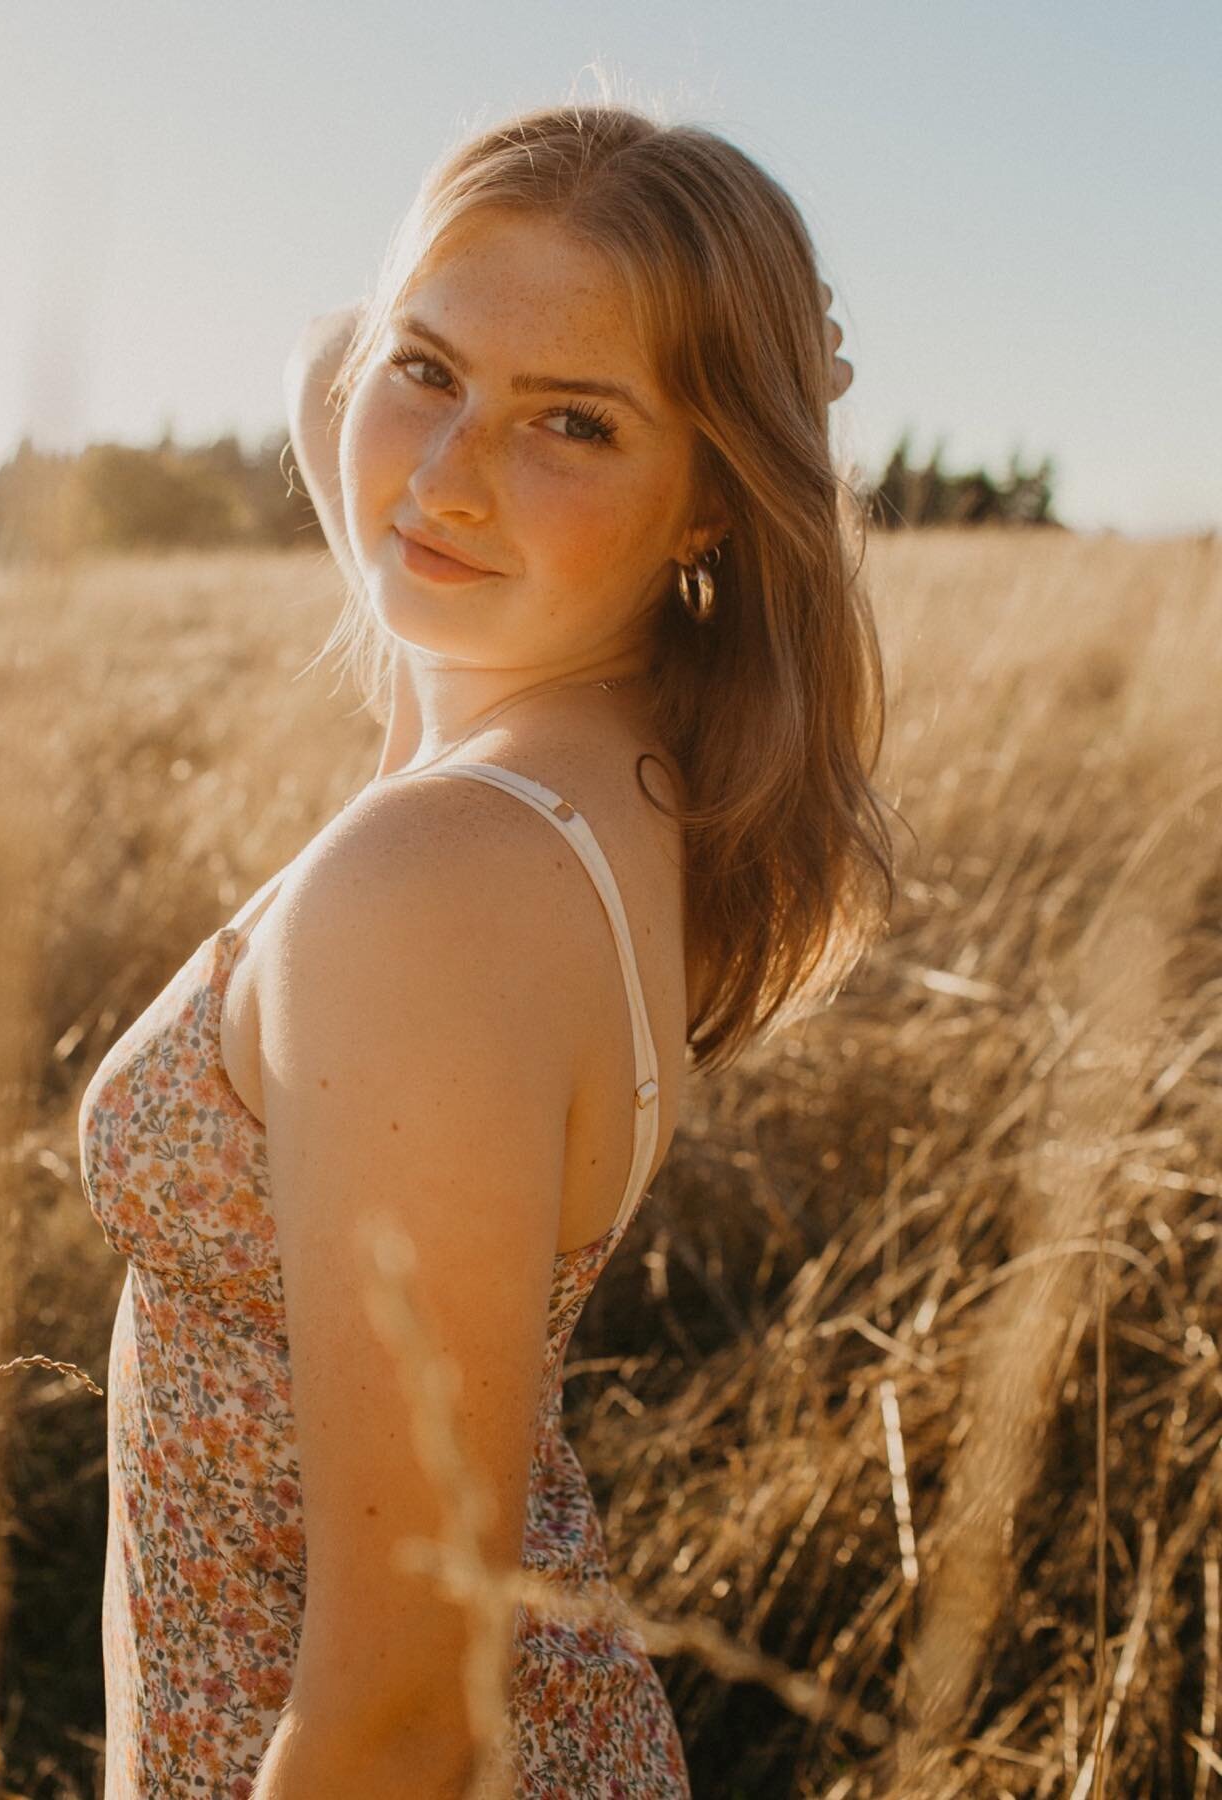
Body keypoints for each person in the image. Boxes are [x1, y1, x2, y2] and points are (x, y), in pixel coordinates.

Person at [79, 98, 893, 1800]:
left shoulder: (441, 879)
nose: (439, 483)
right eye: (428, 371)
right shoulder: (576, 725)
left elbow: (406, 1715)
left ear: (710, 506)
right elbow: (337, 363)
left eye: (573, 426)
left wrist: (664, 339)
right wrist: (649, 339)